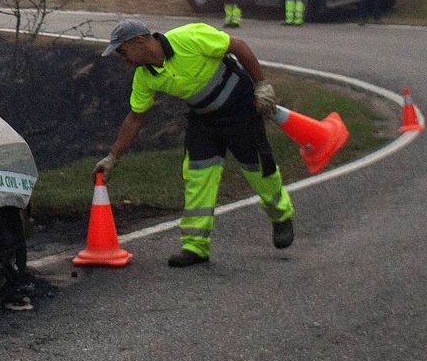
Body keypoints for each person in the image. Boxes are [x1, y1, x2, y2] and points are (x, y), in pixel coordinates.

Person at [93, 17, 295, 267]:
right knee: (197, 176)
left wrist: (262, 85)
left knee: (257, 169)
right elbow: (135, 119)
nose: (123, 59)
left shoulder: (188, 38)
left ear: (139, 41)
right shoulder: (144, 78)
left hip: (240, 108)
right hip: (204, 119)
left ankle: (281, 215)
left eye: (122, 51)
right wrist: (112, 158)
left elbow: (238, 46)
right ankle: (195, 246)